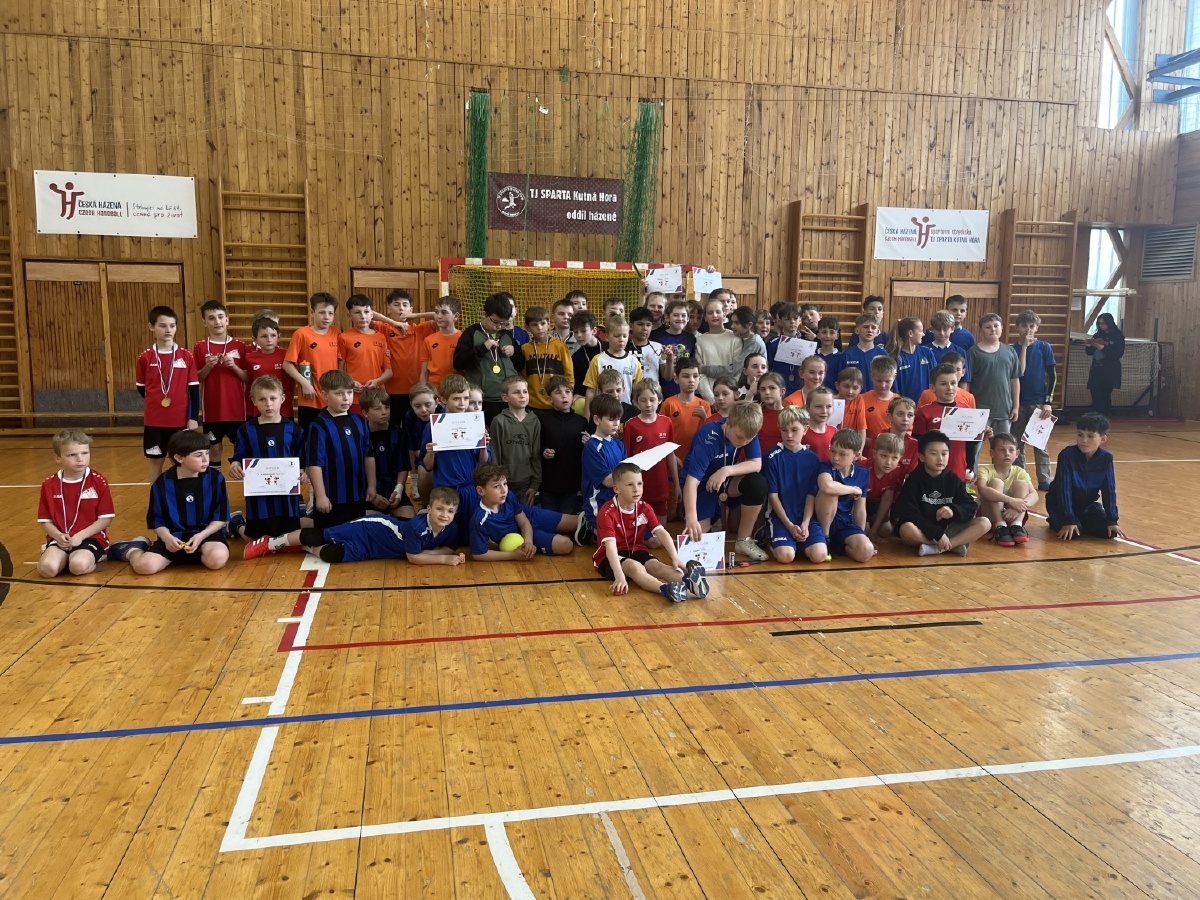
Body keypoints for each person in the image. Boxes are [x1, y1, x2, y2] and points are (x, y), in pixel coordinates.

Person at [108, 429, 230, 573]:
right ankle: (133, 549)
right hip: (173, 538)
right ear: (179, 458)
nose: (205, 459)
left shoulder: (216, 478)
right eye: (198, 455)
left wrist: (201, 536)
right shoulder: (162, 483)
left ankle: (202, 552)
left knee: (217, 559)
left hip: (206, 536)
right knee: (144, 567)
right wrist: (167, 538)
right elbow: (156, 520)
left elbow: (221, 517)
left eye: (207, 453)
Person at [595, 462, 708, 603]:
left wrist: (675, 557)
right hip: (609, 557)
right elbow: (611, 548)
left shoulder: (644, 508)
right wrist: (619, 576)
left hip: (635, 549)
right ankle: (665, 589)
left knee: (657, 566)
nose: (636, 489)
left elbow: (662, 533)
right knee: (635, 567)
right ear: (616, 488)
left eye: (639, 484)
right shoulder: (607, 513)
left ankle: (690, 582)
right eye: (630, 485)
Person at [228, 376, 311, 548]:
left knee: (289, 539)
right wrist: (235, 465)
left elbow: (301, 459)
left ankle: (299, 513)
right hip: (259, 497)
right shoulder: (246, 430)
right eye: (262, 399)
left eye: (273, 398)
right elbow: (239, 456)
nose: (268, 404)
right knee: (255, 540)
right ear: (254, 401)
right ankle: (237, 525)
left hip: (287, 496)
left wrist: (303, 471)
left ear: (282, 398)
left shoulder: (294, 429)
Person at [681, 399, 769, 561]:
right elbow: (692, 481)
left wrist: (726, 471)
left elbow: (756, 464)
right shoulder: (708, 437)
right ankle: (708, 518)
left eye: (748, 440)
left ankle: (743, 540)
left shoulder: (747, 430)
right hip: (701, 483)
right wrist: (691, 518)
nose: (744, 442)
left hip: (725, 479)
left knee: (757, 483)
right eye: (740, 437)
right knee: (699, 540)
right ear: (728, 423)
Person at [891, 430, 991, 556]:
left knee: (984, 523)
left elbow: (971, 506)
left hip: (948, 529)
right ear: (922, 457)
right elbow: (908, 513)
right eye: (933, 453)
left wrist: (953, 510)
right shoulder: (914, 479)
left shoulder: (952, 478)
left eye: (944, 453)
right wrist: (937, 534)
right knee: (906, 530)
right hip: (924, 531)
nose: (940, 459)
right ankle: (948, 546)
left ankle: (944, 547)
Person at [36, 429, 115, 577]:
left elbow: (106, 519)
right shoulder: (49, 484)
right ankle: (62, 556)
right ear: (58, 457)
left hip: (90, 537)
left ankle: (88, 557)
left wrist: (79, 537)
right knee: (47, 569)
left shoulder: (98, 481)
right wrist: (58, 536)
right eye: (72, 455)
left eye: (84, 453)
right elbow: (45, 520)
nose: (80, 459)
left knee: (78, 566)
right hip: (60, 539)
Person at [136, 305, 199, 484]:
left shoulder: (186, 356)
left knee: (181, 461)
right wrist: (156, 401)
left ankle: (179, 495)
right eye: (162, 326)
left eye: (172, 325)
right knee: (156, 461)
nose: (168, 330)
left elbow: (194, 390)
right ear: (151, 327)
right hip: (154, 421)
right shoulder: (145, 357)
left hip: (180, 421)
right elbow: (141, 388)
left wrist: (193, 417)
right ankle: (157, 497)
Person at [307, 369, 375, 528]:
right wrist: (321, 496)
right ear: (325, 394)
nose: (346, 398)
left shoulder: (359, 421)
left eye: (349, 392)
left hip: (357, 495)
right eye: (339, 393)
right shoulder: (319, 425)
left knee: (355, 533)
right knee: (328, 537)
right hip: (331, 497)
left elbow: (368, 455)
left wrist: (371, 486)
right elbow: (314, 464)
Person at [468, 463, 578, 560]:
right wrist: (513, 555)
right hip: (520, 535)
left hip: (530, 516)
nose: (504, 490)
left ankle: (569, 532)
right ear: (481, 491)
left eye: (505, 484)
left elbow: (524, 522)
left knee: (578, 522)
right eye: (496, 486)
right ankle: (565, 535)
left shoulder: (508, 496)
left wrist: (528, 542)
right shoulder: (479, 519)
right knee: (566, 545)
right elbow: (478, 554)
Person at [761, 406, 827, 564]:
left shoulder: (813, 459)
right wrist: (790, 526)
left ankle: (800, 542)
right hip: (781, 519)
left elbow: (811, 495)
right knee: (786, 557)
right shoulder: (772, 457)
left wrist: (805, 522)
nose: (789, 435)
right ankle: (771, 537)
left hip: (805, 518)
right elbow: (773, 497)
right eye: (784, 430)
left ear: (805, 429)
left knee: (819, 556)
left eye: (794, 430)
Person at [1046, 412, 1124, 540]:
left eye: (1090, 436)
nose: (1084, 440)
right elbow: (1064, 490)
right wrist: (1068, 519)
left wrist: (1112, 519)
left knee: (1109, 532)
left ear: (1103, 439)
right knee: (1073, 534)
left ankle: (1080, 521)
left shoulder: (1106, 458)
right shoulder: (1067, 456)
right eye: (1080, 435)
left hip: (1087, 506)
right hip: (1060, 505)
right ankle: (1059, 518)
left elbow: (1109, 490)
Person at [452, 291, 526, 423]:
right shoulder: (471, 333)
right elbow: (458, 363)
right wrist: (482, 348)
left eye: (504, 323)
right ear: (484, 314)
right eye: (496, 322)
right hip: (483, 400)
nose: (499, 326)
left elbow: (520, 365)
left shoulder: (506, 335)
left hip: (508, 399)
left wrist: (515, 352)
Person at [418, 373, 489, 508]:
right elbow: (427, 466)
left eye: (466, 398)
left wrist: (483, 446)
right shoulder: (433, 426)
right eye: (456, 399)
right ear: (443, 399)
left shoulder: (476, 424)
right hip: (445, 490)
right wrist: (431, 453)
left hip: (471, 488)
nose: (462, 403)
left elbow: (483, 462)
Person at [194, 299, 248, 467]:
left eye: (220, 317)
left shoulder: (240, 346)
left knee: (242, 449)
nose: (217, 321)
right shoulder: (200, 347)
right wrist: (208, 367)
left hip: (237, 410)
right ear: (205, 322)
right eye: (211, 318)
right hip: (212, 410)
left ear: (227, 320)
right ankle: (215, 483)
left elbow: (248, 378)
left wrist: (235, 367)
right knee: (214, 450)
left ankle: (246, 484)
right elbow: (196, 378)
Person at [371, 288, 437, 419]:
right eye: (396, 305)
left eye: (405, 305)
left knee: (414, 427)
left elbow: (439, 315)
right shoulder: (383, 328)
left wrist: (415, 316)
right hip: (390, 390)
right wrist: (393, 322)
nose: (401, 308)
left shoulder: (419, 329)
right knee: (392, 426)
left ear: (410, 309)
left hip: (416, 390)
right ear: (389, 309)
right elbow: (369, 313)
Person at [814, 428, 876, 562]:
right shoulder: (825, 467)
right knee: (831, 493)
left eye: (842, 454)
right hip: (821, 523)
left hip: (844, 524)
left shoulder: (863, 473)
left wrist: (861, 535)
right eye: (833, 451)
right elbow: (827, 486)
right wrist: (853, 489)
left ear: (856, 455)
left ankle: (838, 546)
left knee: (866, 551)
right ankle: (825, 539)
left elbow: (860, 510)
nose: (835, 457)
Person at [1012, 309, 1057, 490]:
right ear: (1017, 327)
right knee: (1017, 443)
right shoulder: (1012, 349)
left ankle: (1044, 479)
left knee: (1040, 443)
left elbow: (1052, 376)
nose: (1028, 330)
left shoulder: (1044, 347)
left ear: (1037, 328)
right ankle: (1021, 477)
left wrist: (1048, 402)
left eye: (1032, 326)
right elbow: (1017, 374)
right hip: (1018, 403)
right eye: (1024, 326)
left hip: (1038, 402)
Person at [283, 291, 340, 430]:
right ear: (312, 312)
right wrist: (305, 383)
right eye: (322, 312)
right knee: (309, 437)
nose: (326, 317)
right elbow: (287, 364)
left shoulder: (337, 334)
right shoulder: (301, 334)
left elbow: (341, 365)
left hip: (332, 397)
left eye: (330, 313)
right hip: (310, 397)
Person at [577, 393, 628, 542]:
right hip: (599, 504)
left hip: (619, 501)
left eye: (618, 419)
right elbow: (607, 481)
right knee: (616, 545)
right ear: (597, 419)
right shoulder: (592, 447)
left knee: (652, 541)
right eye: (611, 419)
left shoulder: (619, 444)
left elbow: (625, 474)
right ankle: (588, 522)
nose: (616, 423)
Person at [913, 363, 976, 482]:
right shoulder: (924, 412)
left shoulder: (965, 409)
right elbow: (917, 443)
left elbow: (969, 444)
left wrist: (980, 436)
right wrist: (930, 436)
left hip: (958, 469)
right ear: (932, 388)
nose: (950, 388)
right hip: (931, 472)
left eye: (953, 383)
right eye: (943, 384)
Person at [623, 379, 676, 518]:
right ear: (636, 402)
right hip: (639, 486)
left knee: (661, 525)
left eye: (652, 400)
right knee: (639, 526)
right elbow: (627, 459)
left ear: (660, 400)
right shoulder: (631, 425)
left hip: (660, 484)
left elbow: (671, 455)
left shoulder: (666, 422)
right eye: (643, 400)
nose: (648, 404)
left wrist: (676, 485)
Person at [536, 374, 588, 515]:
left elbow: (584, 453)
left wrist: (587, 443)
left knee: (568, 518)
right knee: (549, 519)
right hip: (548, 481)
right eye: (558, 392)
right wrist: (544, 451)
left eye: (567, 391)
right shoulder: (543, 420)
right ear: (550, 399)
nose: (564, 396)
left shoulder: (581, 421)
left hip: (571, 481)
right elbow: (537, 445)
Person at [975, 432, 1037, 547]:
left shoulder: (1019, 471)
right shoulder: (985, 470)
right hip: (990, 519)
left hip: (1013, 516)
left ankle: (1016, 525)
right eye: (1001, 450)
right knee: (996, 482)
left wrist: (1017, 508)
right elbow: (982, 489)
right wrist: (1011, 501)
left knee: (1022, 484)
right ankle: (1000, 526)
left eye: (1011, 450)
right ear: (992, 453)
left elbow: (1034, 495)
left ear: (1017, 453)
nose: (1007, 453)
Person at [490, 375, 542, 505]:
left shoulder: (534, 421)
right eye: (516, 392)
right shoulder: (499, 421)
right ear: (505, 397)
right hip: (504, 483)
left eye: (525, 391)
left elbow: (536, 454)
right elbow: (495, 455)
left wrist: (535, 483)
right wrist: (497, 481)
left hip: (526, 483)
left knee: (524, 514)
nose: (522, 395)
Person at [966, 312, 1020, 436]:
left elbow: (1015, 380)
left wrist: (1016, 406)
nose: (993, 329)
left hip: (1004, 410)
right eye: (988, 327)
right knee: (975, 445)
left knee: (1003, 444)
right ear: (981, 330)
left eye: (996, 326)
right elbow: (967, 382)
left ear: (1002, 328)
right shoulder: (973, 353)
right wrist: (968, 408)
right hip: (980, 410)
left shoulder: (1010, 351)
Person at [337, 294, 393, 414]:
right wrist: (350, 383)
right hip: (354, 397)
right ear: (349, 316)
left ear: (372, 314)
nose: (363, 316)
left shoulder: (381, 337)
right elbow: (339, 370)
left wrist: (377, 381)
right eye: (357, 312)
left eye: (366, 312)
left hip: (377, 396)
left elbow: (389, 372)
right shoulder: (344, 337)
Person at [361, 388, 411, 516]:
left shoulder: (398, 433)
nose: (384, 412)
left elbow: (403, 466)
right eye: (377, 409)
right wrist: (372, 495)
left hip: (393, 491)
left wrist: (398, 491)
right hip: (367, 493)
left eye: (387, 408)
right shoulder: (360, 435)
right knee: (373, 525)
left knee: (409, 524)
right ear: (365, 413)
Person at [583, 315, 642, 418]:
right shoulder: (598, 360)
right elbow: (591, 391)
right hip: (603, 413)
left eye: (624, 336)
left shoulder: (634, 362)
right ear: (607, 336)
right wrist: (587, 418)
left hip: (626, 413)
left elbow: (638, 393)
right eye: (617, 336)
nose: (621, 339)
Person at [659, 359, 710, 470]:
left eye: (695, 376)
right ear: (676, 379)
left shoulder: (705, 405)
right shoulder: (669, 404)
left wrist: (705, 418)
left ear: (700, 379)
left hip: (696, 463)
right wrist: (671, 456)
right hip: (673, 461)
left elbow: (709, 436)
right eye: (686, 376)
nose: (691, 380)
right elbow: (661, 435)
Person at [522, 305, 573, 410]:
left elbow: (569, 374)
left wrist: (568, 394)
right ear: (527, 327)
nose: (539, 328)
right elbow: (523, 376)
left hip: (556, 403)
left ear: (549, 324)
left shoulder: (560, 346)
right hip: (533, 403)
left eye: (543, 323)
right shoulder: (525, 349)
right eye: (534, 325)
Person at [243, 316, 292, 421]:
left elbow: (291, 382)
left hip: (284, 408)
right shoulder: (249, 358)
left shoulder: (286, 355)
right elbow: (249, 381)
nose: (269, 339)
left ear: (279, 337)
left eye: (273, 335)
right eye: (264, 336)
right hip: (260, 409)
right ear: (255, 339)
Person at [844, 355, 897, 451]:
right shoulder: (861, 399)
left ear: (894, 377)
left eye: (887, 381)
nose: (883, 385)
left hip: (891, 451)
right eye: (879, 381)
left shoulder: (898, 401)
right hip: (866, 452)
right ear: (872, 376)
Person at [695, 296, 741, 401]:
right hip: (710, 396)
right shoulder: (700, 340)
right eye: (710, 313)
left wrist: (730, 395)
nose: (714, 315)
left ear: (724, 314)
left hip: (731, 395)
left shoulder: (734, 338)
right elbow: (700, 373)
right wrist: (712, 399)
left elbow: (737, 370)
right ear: (705, 317)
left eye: (718, 312)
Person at [402, 487, 464, 565]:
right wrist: (444, 559)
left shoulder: (452, 527)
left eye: (450, 511)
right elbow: (413, 557)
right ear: (429, 509)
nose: (444, 515)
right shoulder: (415, 527)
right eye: (439, 509)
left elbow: (450, 548)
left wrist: (430, 553)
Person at [864, 431, 905, 542]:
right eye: (884, 456)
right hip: (858, 504)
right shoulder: (863, 470)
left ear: (900, 458)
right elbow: (854, 501)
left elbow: (887, 499)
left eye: (894, 458)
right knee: (864, 530)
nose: (888, 462)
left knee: (886, 530)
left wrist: (875, 530)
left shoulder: (896, 471)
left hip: (875, 505)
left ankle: (872, 522)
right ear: (874, 454)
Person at [417, 295, 463, 393]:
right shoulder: (429, 340)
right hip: (434, 392)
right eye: (436, 312)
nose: (438, 316)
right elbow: (424, 373)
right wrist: (424, 392)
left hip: (457, 392)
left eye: (444, 312)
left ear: (456, 316)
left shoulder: (463, 338)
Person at [888, 317, 937, 402]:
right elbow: (895, 387)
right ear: (910, 333)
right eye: (920, 331)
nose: (923, 334)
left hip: (927, 403)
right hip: (904, 405)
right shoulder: (896, 358)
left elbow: (936, 377)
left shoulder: (927, 353)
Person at [1086, 312, 1125, 415]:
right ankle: (1096, 414)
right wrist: (1089, 346)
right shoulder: (1098, 335)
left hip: (1110, 370)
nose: (1101, 326)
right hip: (1096, 369)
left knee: (1105, 394)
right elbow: (1089, 353)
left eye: (1103, 323)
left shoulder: (1117, 335)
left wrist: (1103, 348)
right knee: (1095, 392)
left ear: (1109, 323)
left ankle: (1103, 415)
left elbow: (1118, 353)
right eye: (1099, 324)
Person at [839, 313, 886, 386]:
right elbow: (841, 381)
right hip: (853, 393)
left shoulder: (883, 355)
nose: (870, 330)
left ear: (877, 332)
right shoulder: (847, 355)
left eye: (873, 327)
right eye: (866, 327)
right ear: (857, 330)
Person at [628, 307, 668, 390]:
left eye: (648, 325)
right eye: (640, 324)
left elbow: (667, 376)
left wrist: (670, 360)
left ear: (651, 327)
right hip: (630, 394)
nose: (645, 328)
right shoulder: (624, 349)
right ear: (631, 326)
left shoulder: (659, 348)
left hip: (653, 394)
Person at [569, 310, 605, 401]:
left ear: (594, 331)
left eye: (583, 331)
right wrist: (576, 394)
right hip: (588, 400)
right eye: (575, 332)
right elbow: (577, 384)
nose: (579, 335)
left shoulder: (608, 348)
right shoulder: (576, 357)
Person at [802, 386, 836, 462]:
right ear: (808, 408)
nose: (824, 411)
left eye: (828, 406)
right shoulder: (801, 432)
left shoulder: (835, 432)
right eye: (818, 406)